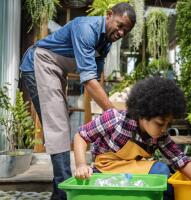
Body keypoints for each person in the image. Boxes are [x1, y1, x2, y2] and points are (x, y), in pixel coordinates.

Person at [19, 3, 136, 200]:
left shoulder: (105, 42)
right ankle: (63, 194)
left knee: (60, 122)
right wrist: (114, 113)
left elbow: (94, 80)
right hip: (39, 62)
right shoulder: (86, 28)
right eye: (120, 25)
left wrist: (104, 119)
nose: (122, 32)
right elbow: (88, 80)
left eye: (127, 30)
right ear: (109, 15)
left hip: (57, 69)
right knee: (58, 125)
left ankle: (63, 191)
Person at [73, 77, 191, 200]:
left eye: (168, 124)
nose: (164, 129)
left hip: (132, 172)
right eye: (160, 123)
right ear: (143, 114)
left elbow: (180, 160)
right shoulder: (115, 119)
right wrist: (81, 165)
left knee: (165, 175)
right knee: (161, 171)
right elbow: (81, 136)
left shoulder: (160, 136)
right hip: (104, 170)